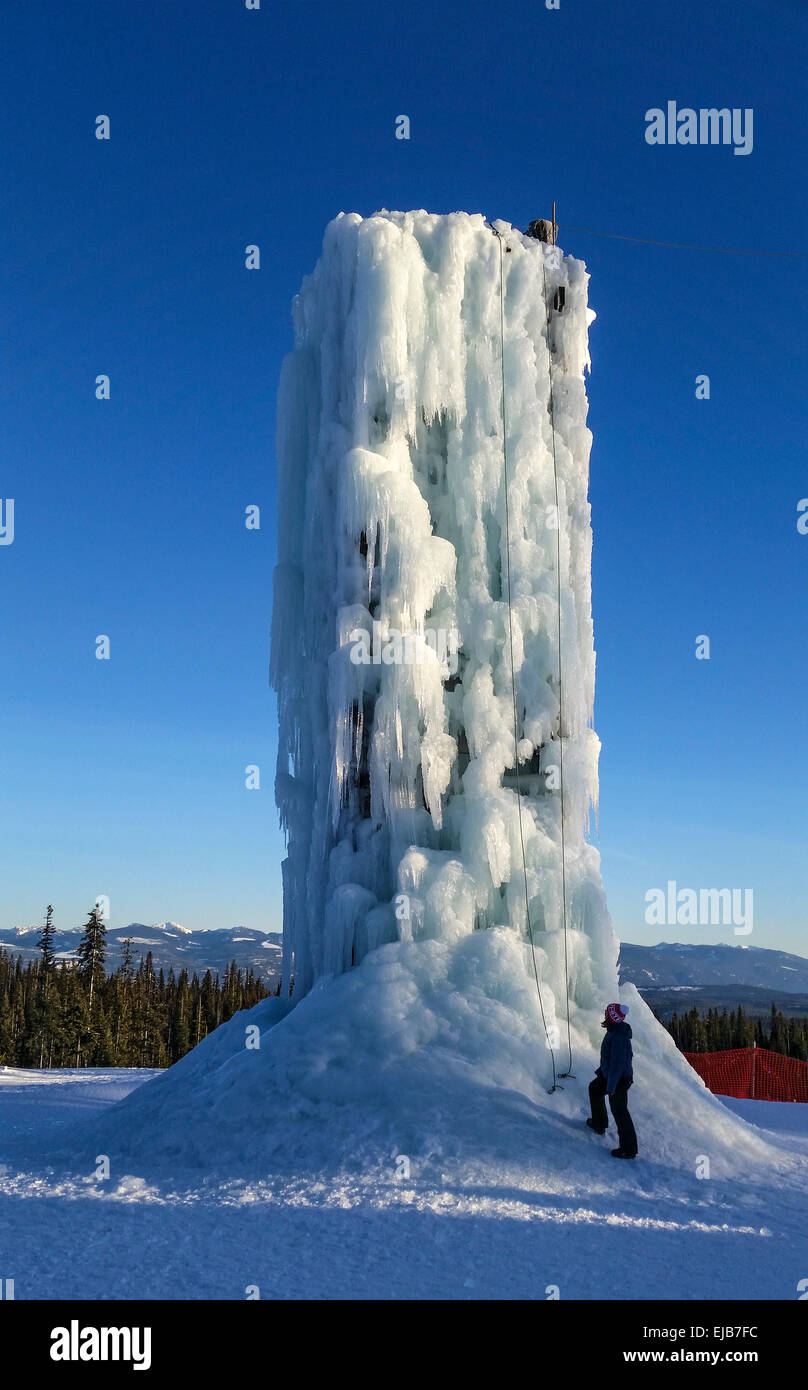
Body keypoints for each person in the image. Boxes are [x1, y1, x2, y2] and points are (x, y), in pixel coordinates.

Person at [586, 1002, 638, 1159]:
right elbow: (609, 1059)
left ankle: (629, 1149)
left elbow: (618, 1065)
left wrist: (612, 1086)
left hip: (619, 1080)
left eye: (607, 1013)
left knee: (620, 1111)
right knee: (594, 1088)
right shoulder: (613, 1031)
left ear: (612, 1017)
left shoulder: (619, 1038)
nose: (605, 1014)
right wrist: (603, 1072)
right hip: (610, 1076)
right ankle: (599, 1123)